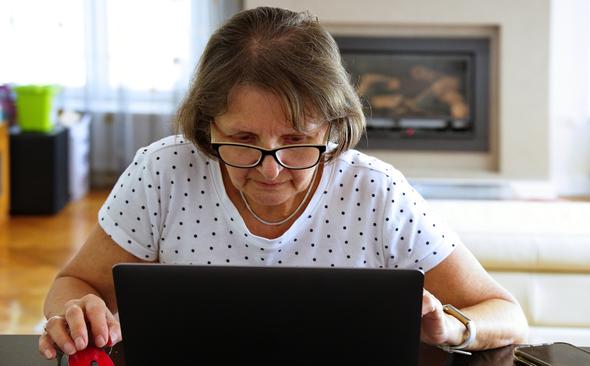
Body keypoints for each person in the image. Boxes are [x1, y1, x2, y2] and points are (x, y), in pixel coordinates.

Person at [38, 6, 528, 360]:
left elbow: (506, 314)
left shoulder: (376, 191)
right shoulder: (161, 171)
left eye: (297, 140)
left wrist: (453, 329)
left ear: (334, 128)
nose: (270, 170)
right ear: (207, 126)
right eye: (243, 139)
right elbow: (72, 284)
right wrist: (77, 312)